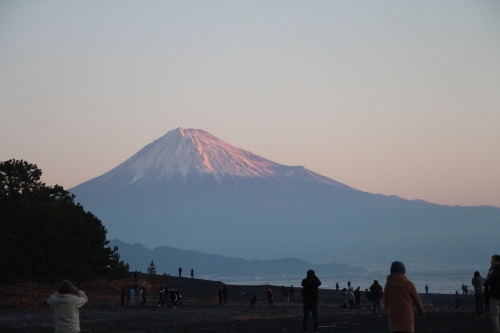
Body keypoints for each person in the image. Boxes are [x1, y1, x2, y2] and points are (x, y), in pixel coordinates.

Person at [384, 261, 425, 333]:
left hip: (393, 315)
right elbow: (417, 299)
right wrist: (421, 312)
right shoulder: (408, 284)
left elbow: (385, 302)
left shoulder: (388, 284)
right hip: (406, 315)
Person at [484, 254, 500, 333]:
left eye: (493, 260)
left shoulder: (493, 271)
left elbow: (486, 282)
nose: (491, 262)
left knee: (495, 315)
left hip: (495, 295)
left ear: (497, 262)